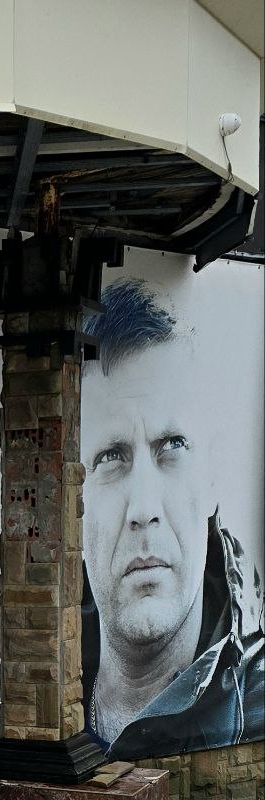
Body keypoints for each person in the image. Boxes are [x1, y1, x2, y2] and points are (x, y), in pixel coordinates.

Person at [81, 277, 264, 759]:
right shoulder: (27, 691)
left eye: (173, 447)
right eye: (110, 457)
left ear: (213, 480)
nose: (144, 510)